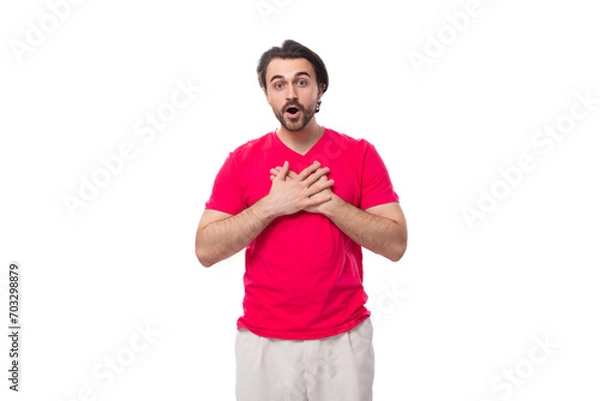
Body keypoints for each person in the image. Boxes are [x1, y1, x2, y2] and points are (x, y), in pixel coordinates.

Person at [195, 39, 408, 401]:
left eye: (302, 82)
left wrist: (328, 203)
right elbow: (205, 250)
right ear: (266, 94)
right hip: (265, 344)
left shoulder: (359, 154)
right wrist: (272, 205)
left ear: (320, 88)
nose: (290, 93)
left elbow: (396, 244)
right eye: (278, 84)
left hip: (344, 340)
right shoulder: (242, 160)